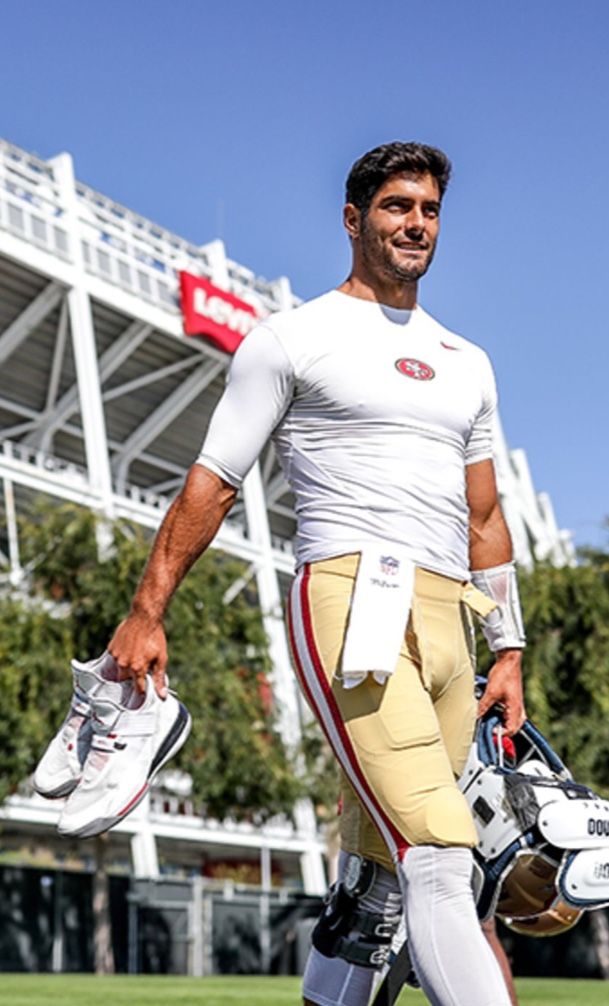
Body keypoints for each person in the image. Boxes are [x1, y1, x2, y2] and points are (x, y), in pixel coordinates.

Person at [109, 142, 526, 1006]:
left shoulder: (466, 360)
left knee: (376, 878)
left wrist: (508, 648)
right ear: (353, 219)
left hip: (452, 618)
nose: (415, 224)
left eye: (428, 210)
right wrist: (147, 612)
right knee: (442, 854)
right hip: (350, 600)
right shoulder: (290, 339)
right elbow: (213, 481)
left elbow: (484, 516)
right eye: (395, 207)